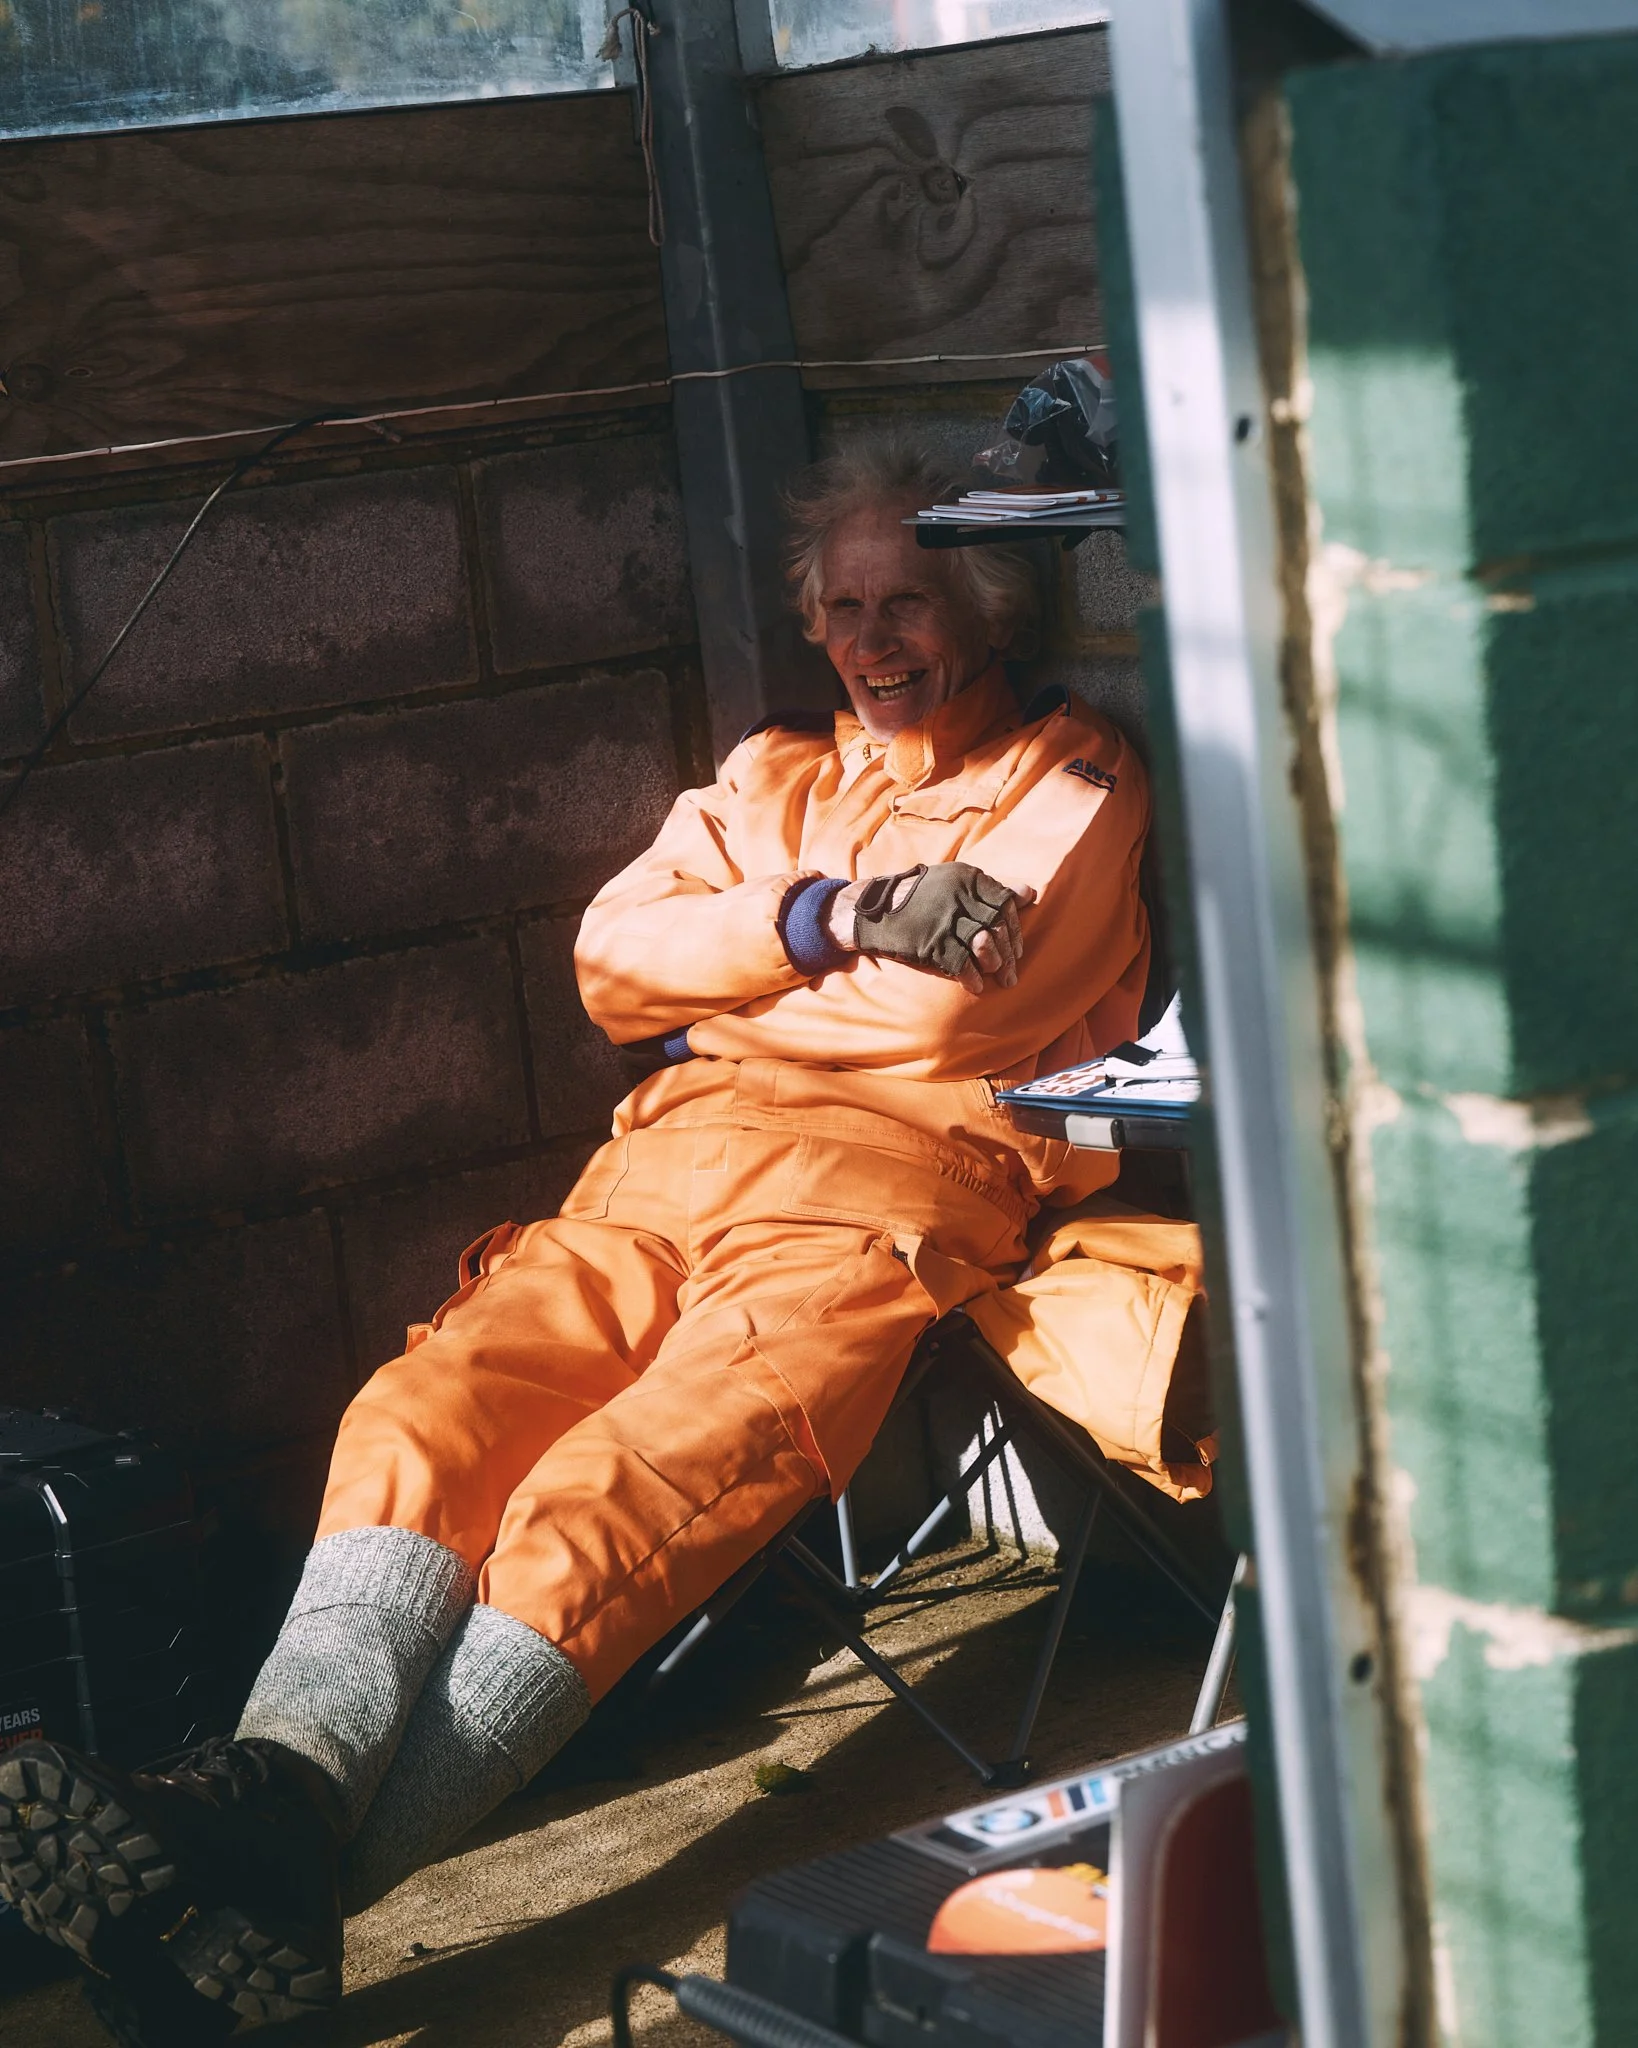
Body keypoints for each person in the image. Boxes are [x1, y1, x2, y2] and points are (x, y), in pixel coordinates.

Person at [0, 437, 1156, 2036]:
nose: (875, 642)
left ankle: (255, 1860)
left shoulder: (1065, 777)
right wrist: (827, 921)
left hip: (887, 1189)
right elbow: (613, 965)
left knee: (617, 1486)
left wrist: (736, 994)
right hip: (661, 1169)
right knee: (425, 1411)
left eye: (910, 604)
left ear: (989, 616)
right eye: (844, 608)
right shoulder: (769, 781)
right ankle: (268, 1825)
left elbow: (957, 1014)